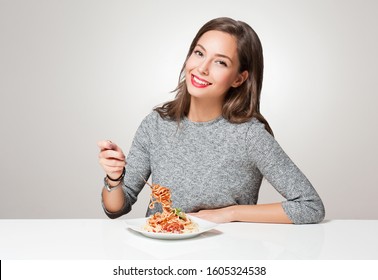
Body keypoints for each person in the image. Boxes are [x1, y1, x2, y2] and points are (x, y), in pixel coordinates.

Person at [97, 17, 325, 224]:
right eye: (199, 53)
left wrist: (229, 213)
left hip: (228, 259)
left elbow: (310, 206)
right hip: (163, 258)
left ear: (239, 78)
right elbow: (117, 208)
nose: (202, 68)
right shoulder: (156, 124)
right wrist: (114, 176)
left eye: (221, 62)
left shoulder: (249, 135)